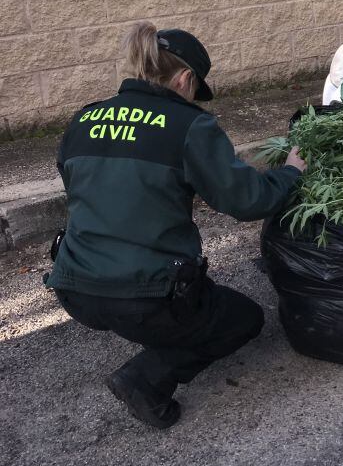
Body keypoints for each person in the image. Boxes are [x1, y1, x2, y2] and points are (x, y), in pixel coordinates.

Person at [46, 23, 307, 429]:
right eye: (194, 88)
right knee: (244, 319)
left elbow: (78, 187)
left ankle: (149, 325)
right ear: (185, 79)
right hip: (142, 297)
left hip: (73, 288)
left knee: (151, 308)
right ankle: (146, 378)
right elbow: (247, 200)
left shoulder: (85, 119)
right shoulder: (189, 126)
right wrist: (291, 173)